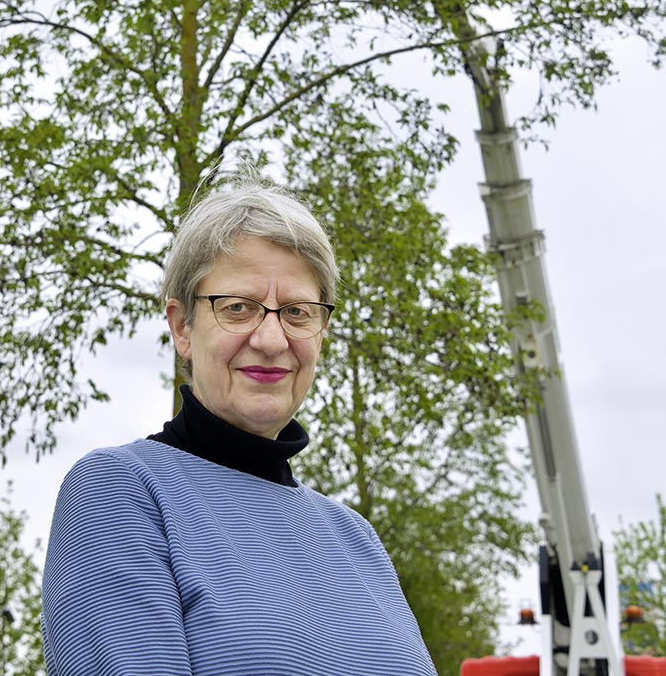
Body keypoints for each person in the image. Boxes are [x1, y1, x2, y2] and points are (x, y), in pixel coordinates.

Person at [41, 178, 438, 676]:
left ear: (322, 331)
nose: (272, 339)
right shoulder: (122, 492)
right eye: (238, 308)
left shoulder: (355, 538)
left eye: (297, 312)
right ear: (182, 326)